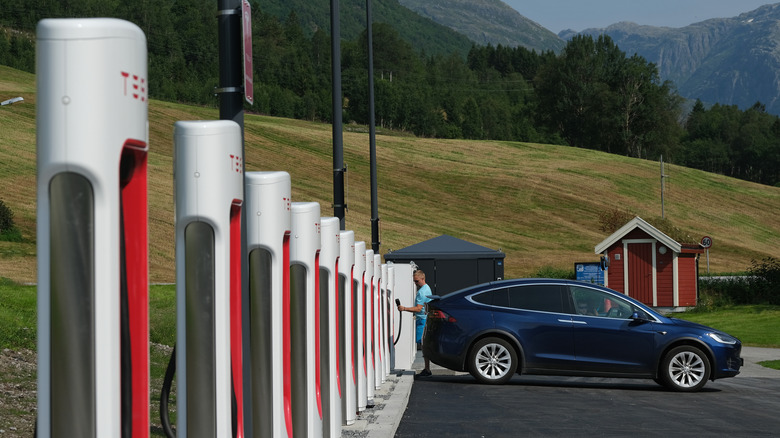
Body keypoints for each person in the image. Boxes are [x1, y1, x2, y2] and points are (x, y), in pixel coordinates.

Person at [397, 269, 433, 377]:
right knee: (423, 344)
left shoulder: (422, 292)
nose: (415, 283)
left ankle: (427, 369)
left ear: (423, 279)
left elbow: (418, 309)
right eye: (414, 281)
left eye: (416, 281)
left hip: (422, 320)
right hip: (423, 319)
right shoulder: (426, 288)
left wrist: (404, 308)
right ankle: (427, 368)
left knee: (423, 344)